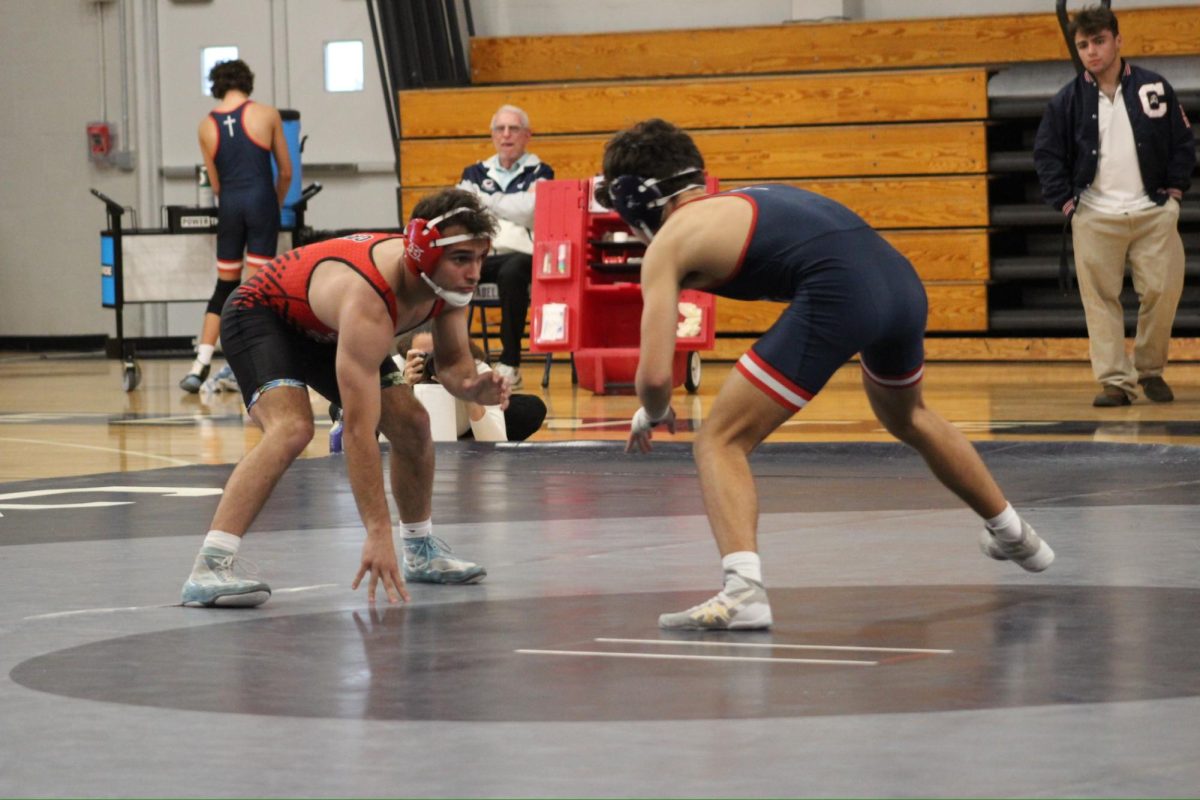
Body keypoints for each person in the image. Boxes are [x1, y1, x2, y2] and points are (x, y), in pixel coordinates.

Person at [598, 119, 1055, 631]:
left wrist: (652, 410)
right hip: (899, 282)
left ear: (633, 200)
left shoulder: (670, 242)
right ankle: (1014, 533)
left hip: (842, 290)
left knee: (719, 441)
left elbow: (657, 376)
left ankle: (743, 590)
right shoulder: (742, 198)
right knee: (910, 416)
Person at [180, 188, 509, 608]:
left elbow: (454, 365)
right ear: (423, 253)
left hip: (325, 325)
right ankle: (210, 563)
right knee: (292, 428)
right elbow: (358, 429)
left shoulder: (446, 288)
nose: (474, 272)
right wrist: (376, 532)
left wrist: (472, 387)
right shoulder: (370, 297)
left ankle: (420, 549)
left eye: (481, 258)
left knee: (412, 421)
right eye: (462, 259)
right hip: (261, 315)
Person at [1033, 5, 1193, 408]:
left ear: (1118, 41)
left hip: (1152, 211)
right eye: (1083, 45)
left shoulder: (1153, 88)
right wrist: (1068, 205)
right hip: (1095, 215)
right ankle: (1115, 382)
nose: (1092, 51)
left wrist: (1173, 194)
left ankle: (1151, 369)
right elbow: (1046, 155)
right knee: (1100, 301)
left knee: (1162, 290)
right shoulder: (1066, 101)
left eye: (1099, 41)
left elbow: (1182, 141)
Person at [180, 59, 293, 394]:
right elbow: (285, 171)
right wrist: (275, 202)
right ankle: (246, 363)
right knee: (257, 288)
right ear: (248, 82)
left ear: (216, 86)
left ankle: (199, 365)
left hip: (229, 204)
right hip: (260, 201)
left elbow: (214, 186)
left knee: (224, 286)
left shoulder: (205, 126)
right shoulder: (267, 114)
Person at [457, 104, 555, 390]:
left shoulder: (541, 171)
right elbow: (465, 213)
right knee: (447, 270)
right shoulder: (474, 171)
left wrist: (485, 199)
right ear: (493, 135)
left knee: (512, 272)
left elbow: (531, 212)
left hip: (522, 256)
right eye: (500, 128)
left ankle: (510, 363)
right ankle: (457, 359)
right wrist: (512, 202)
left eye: (514, 128)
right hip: (482, 255)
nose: (506, 134)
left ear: (527, 135)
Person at [397, 325, 547, 441]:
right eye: (424, 356)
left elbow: (496, 442)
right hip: (417, 433)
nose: (433, 364)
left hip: (467, 426)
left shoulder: (475, 368)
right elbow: (383, 441)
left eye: (440, 356)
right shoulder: (398, 366)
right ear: (408, 353)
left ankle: (470, 438)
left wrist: (467, 393)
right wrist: (403, 389)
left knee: (530, 408)